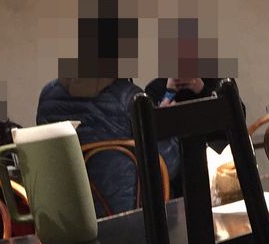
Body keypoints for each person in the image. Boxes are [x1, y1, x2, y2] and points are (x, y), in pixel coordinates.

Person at [36, 76, 179, 217]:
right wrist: (167, 125)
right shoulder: (131, 98)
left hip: (69, 218)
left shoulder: (48, 96)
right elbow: (168, 165)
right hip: (130, 217)